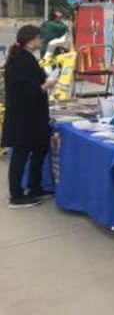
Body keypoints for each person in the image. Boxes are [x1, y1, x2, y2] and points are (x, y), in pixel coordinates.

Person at [3, 25, 57, 208]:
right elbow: (30, 90)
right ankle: (16, 195)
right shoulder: (22, 61)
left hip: (32, 116)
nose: (41, 42)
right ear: (31, 40)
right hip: (24, 117)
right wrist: (46, 85)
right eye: (40, 38)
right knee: (21, 154)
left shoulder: (26, 58)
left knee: (40, 148)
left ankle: (35, 187)